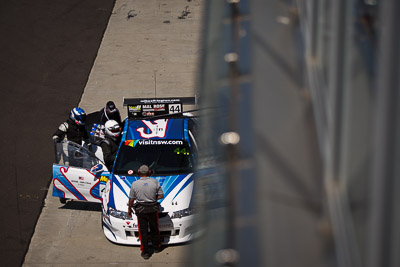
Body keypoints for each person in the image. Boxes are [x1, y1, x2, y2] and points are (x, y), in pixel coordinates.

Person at [128, 165, 164, 260]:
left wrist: (129, 210)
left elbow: (131, 199)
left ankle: (145, 252)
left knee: (143, 231)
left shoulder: (134, 184)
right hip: (153, 209)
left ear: (139, 172)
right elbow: (161, 195)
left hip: (141, 210)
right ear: (149, 172)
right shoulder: (155, 182)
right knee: (155, 228)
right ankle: (157, 247)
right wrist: (152, 198)